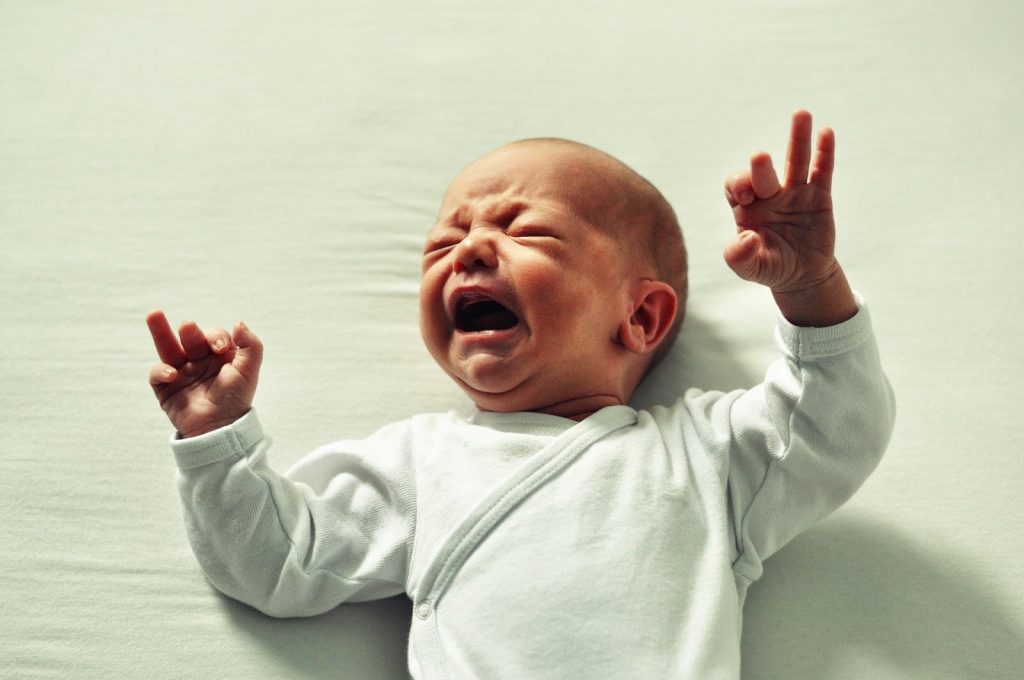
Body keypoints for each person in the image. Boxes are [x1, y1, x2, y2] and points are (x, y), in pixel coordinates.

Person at [146, 110, 894, 679]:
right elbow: (277, 561)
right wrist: (218, 440)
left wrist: (811, 290)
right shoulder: (420, 462)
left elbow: (833, 427)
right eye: (444, 244)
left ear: (639, 317)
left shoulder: (702, 454)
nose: (469, 248)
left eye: (525, 231)